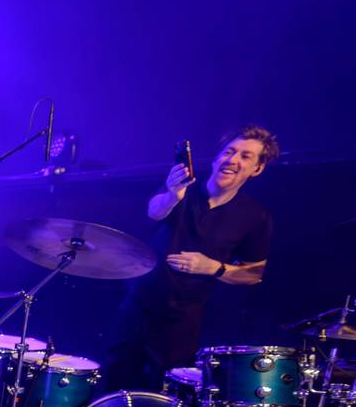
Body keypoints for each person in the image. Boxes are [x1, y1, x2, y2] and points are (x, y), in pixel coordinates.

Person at [102, 125, 278, 392]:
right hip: (139, 304)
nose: (232, 160)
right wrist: (173, 195)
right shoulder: (185, 188)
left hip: (185, 319)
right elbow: (154, 212)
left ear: (257, 169)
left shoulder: (255, 216)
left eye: (245, 156)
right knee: (113, 385)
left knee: (162, 396)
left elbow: (254, 274)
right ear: (218, 157)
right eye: (229, 152)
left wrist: (214, 268)